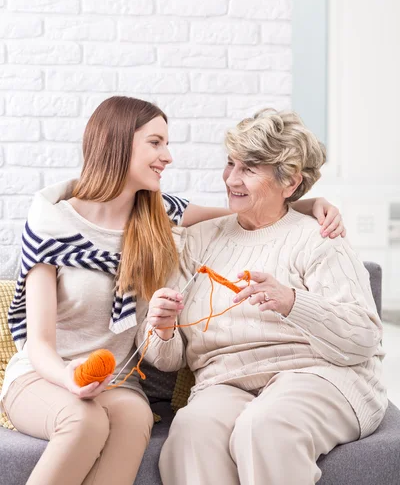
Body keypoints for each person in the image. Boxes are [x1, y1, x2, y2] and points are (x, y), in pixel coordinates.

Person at [0, 97, 345, 485]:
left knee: (135, 417)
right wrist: (69, 379)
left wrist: (308, 202)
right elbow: (39, 344)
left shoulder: (160, 214)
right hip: (47, 376)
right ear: (116, 143)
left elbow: (244, 213)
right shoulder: (52, 224)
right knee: (84, 421)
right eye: (156, 142)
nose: (167, 156)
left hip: (118, 382)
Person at [143, 108, 387, 485]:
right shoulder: (200, 239)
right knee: (191, 435)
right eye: (230, 163)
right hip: (225, 382)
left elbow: (363, 339)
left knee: (265, 428)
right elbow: (167, 359)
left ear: (289, 181)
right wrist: (162, 328)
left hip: (320, 376)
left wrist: (292, 301)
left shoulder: (317, 238)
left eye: (249, 169)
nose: (231, 179)